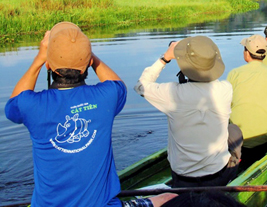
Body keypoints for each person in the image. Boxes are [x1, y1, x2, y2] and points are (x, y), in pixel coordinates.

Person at [4, 22, 176, 207]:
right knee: (168, 198)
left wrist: (40, 58)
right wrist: (86, 54)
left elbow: (13, 105)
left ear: (48, 64)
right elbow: (117, 84)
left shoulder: (31, 105)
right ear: (87, 63)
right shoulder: (107, 96)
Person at [134, 36, 243, 188]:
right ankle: (234, 172)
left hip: (182, 179)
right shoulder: (225, 89)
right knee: (234, 130)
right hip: (218, 176)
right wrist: (200, 59)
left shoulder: (171, 94)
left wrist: (165, 58)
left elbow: (141, 85)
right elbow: (207, 81)